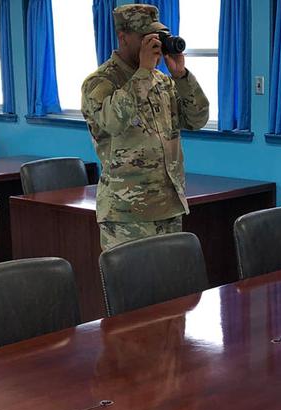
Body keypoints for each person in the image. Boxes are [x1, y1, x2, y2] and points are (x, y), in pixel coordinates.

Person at [81, 4, 209, 251]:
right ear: (123, 37)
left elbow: (197, 119)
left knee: (174, 288)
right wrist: (143, 73)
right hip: (126, 213)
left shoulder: (162, 82)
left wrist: (181, 76)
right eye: (145, 37)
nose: (154, 44)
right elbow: (113, 121)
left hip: (168, 206)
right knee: (133, 287)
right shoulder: (100, 82)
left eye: (158, 37)